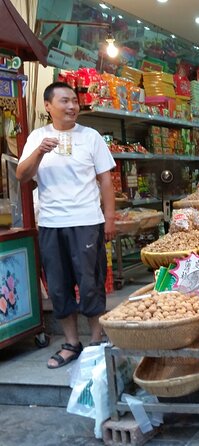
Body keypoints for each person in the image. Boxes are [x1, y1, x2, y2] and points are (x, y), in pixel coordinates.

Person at [17, 82, 116, 369]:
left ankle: (97, 342)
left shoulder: (91, 137)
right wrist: (39, 152)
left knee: (90, 283)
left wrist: (109, 218)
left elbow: (106, 180)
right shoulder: (37, 136)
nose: (72, 106)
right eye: (65, 101)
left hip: (86, 221)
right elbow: (23, 175)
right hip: (50, 223)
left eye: (75, 101)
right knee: (59, 287)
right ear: (48, 106)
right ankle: (72, 343)